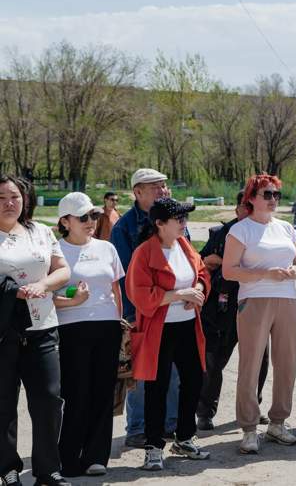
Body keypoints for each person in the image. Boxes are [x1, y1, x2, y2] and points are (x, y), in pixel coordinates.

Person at [222, 174, 296, 454]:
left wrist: (295, 270)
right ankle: (248, 428)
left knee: (287, 362)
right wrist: (265, 274)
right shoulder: (240, 230)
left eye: (276, 195)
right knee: (251, 364)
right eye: (267, 194)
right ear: (252, 198)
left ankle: (278, 422)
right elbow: (228, 270)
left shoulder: (286, 228)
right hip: (254, 300)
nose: (273, 200)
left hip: (288, 300)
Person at [127, 198, 211, 469]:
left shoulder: (184, 245)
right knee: (157, 386)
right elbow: (139, 294)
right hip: (158, 330)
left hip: (187, 325)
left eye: (185, 219)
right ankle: (153, 447)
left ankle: (185, 437)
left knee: (193, 380)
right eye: (180, 219)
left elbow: (201, 273)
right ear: (160, 224)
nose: (184, 224)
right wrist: (178, 295)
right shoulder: (144, 252)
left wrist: (197, 290)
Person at [0, 175, 72, 486]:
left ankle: (48, 470)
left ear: (25, 199)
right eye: (1, 197)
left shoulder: (41, 231)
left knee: (49, 400)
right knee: (3, 403)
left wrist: (43, 285)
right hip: (4, 332)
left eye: (14, 196)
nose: (9, 202)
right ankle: (7, 469)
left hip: (43, 327)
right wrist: (12, 291)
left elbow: (63, 270)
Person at [54, 193, 125, 477]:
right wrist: (72, 299)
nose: (90, 222)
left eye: (93, 216)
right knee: (76, 393)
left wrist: (121, 324)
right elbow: (48, 295)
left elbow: (116, 289)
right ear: (65, 221)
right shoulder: (54, 251)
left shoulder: (107, 248)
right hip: (71, 327)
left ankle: (97, 456)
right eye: (83, 217)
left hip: (107, 326)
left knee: (102, 392)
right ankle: (69, 457)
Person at [111, 168, 180, 448]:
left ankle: (170, 425)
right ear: (137, 192)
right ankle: (137, 428)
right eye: (155, 187)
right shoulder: (124, 227)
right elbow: (128, 274)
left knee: (173, 370)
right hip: (139, 309)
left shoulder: (174, 219)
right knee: (140, 372)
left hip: (173, 308)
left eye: (164, 186)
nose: (162, 191)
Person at [196, 191, 270, 431]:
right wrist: (213, 259)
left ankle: (253, 407)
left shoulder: (265, 232)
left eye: (251, 206)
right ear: (237, 208)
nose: (248, 211)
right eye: (244, 206)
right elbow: (200, 260)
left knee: (258, 359)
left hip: (256, 302)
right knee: (214, 360)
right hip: (222, 307)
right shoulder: (220, 233)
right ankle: (205, 412)